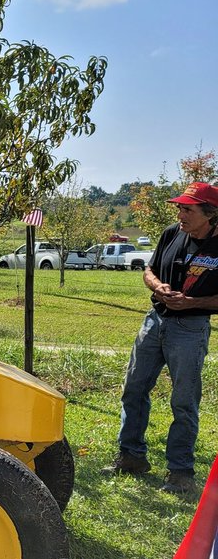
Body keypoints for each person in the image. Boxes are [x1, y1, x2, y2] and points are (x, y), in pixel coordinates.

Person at [106, 182, 218, 494]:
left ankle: (180, 472)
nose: (180, 213)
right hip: (154, 321)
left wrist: (194, 302)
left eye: (188, 209)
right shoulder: (172, 232)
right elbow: (149, 270)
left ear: (209, 214)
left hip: (190, 330)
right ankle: (131, 457)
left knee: (184, 401)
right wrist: (159, 288)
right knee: (134, 388)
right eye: (179, 207)